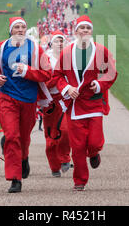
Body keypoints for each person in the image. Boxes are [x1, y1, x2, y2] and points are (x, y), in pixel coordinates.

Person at [53, 15, 118, 191]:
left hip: (94, 103)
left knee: (95, 142)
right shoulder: (67, 52)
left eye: (88, 28)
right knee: (77, 145)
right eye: (82, 28)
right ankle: (80, 180)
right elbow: (57, 76)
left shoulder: (101, 50)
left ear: (91, 31)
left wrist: (99, 84)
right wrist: (66, 88)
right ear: (76, 31)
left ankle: (95, 152)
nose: (85, 31)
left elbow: (111, 73)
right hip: (74, 106)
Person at [0, 17, 52, 193]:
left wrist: (28, 71)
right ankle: (15, 179)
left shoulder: (35, 49)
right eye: (16, 27)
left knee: (23, 138)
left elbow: (47, 74)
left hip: (28, 99)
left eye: (23, 27)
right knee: (11, 136)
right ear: (11, 30)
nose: (20, 30)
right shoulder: (0, 48)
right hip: (7, 97)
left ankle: (24, 158)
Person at [42, 31, 72, 178]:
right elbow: (42, 82)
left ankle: (65, 158)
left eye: (62, 41)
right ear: (51, 43)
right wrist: (55, 80)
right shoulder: (45, 59)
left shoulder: (69, 58)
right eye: (57, 41)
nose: (59, 43)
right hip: (49, 102)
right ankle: (54, 166)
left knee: (65, 131)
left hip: (64, 99)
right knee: (51, 137)